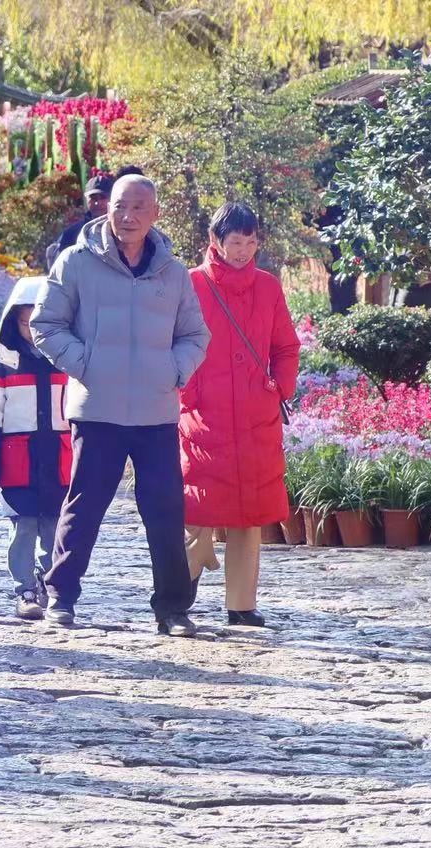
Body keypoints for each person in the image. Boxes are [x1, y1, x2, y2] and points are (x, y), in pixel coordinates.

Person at [30, 174, 209, 634]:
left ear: (155, 214)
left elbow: (195, 335)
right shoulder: (76, 262)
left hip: (156, 412)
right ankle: (61, 596)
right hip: (97, 408)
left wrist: (173, 371)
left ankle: (172, 609)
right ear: (105, 208)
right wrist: (86, 365)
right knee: (84, 506)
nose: (127, 217)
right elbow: (45, 324)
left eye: (138, 208)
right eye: (120, 207)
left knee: (166, 511)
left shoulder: (172, 272)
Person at [180, 202, 300, 629]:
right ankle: (183, 582)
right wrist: (187, 392)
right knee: (198, 509)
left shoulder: (268, 287)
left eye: (251, 242)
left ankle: (241, 604)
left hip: (255, 413)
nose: (244, 250)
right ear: (215, 241)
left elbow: (286, 346)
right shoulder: (191, 284)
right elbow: (172, 342)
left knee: (249, 516)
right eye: (235, 242)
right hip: (203, 413)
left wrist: (278, 388)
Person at [0, 276, 71, 621]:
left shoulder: (66, 358)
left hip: (58, 459)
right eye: (25, 322)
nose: (32, 329)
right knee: (24, 527)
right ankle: (25, 590)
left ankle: (52, 585)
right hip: (18, 463)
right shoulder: (2, 363)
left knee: (54, 528)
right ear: (13, 322)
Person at [46, 173, 117, 270]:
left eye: (102, 197)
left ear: (112, 199)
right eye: (93, 198)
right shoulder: (72, 233)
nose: (97, 203)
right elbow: (59, 269)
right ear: (86, 199)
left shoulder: (122, 230)